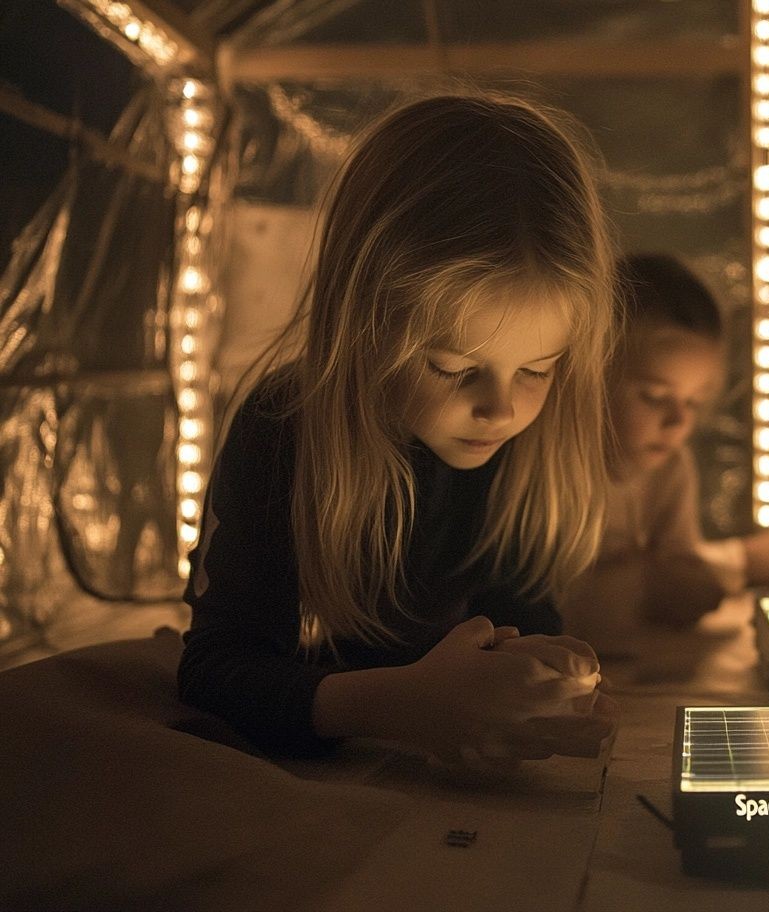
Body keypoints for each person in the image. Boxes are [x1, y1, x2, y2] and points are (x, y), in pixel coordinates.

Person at [178, 94, 618, 769]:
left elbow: (516, 612)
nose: (500, 410)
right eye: (451, 368)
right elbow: (215, 671)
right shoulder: (283, 430)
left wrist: (539, 667)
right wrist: (398, 706)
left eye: (537, 369)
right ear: (363, 325)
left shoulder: (515, 449)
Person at [560, 253, 769, 652]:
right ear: (590, 375)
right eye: (654, 396)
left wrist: (684, 581)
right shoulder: (558, 466)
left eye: (694, 402)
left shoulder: (671, 467)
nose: (678, 420)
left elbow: (683, 579)